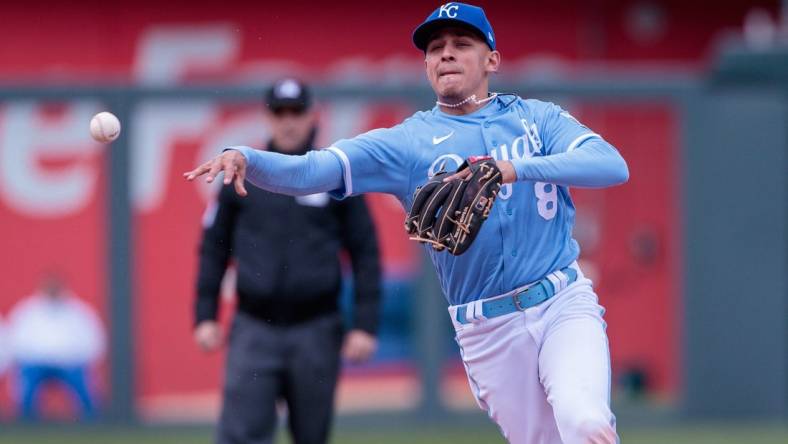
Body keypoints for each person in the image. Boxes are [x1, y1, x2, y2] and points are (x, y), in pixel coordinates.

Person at [185, 4, 629, 443]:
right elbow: (313, 169)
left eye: (461, 44)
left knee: (584, 420)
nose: (446, 54)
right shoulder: (408, 143)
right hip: (488, 330)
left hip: (561, 303)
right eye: (436, 48)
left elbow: (610, 165)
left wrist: (517, 169)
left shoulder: (538, 119)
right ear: (427, 66)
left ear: (492, 58)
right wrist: (248, 157)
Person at [193, 78, 383, 444]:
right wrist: (205, 315)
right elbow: (213, 247)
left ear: (312, 116)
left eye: (296, 112)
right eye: (280, 113)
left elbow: (365, 252)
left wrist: (365, 324)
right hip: (253, 328)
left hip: (317, 328)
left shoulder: (334, 174)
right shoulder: (241, 173)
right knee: (240, 434)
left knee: (311, 435)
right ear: (268, 118)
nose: (288, 122)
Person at [6, 272, 105, 421]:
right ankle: (26, 421)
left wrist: (82, 359)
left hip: (70, 364)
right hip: (35, 364)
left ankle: (91, 421)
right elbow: (14, 339)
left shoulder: (79, 311)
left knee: (84, 385)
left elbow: (95, 339)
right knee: (26, 384)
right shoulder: (27, 311)